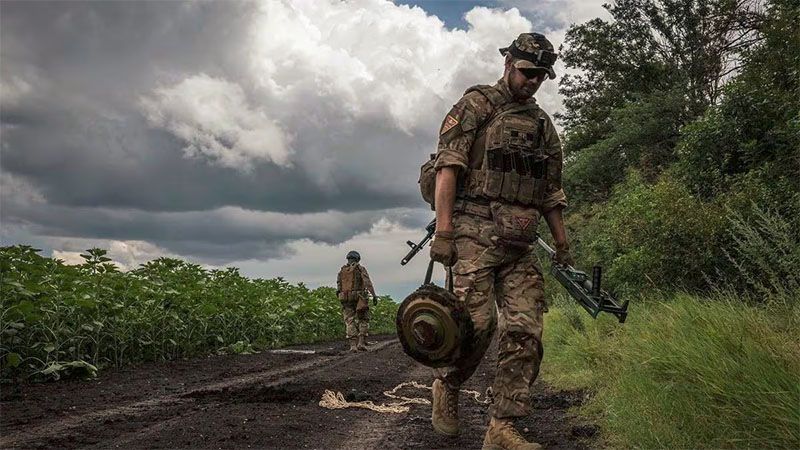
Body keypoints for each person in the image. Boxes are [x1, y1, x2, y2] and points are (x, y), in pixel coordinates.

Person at [427, 33, 574, 450]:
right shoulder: (475, 106)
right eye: (527, 72)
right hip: (472, 231)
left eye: (541, 76)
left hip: (520, 241)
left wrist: (562, 243)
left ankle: (502, 427)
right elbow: (447, 169)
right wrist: (444, 231)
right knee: (477, 326)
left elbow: (551, 193)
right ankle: (448, 384)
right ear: (508, 62)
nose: (533, 82)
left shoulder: (543, 126)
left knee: (526, 330)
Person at [336, 250, 377, 352]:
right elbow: (367, 282)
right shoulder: (360, 269)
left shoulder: (342, 271)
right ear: (358, 259)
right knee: (363, 319)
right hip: (359, 298)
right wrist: (374, 295)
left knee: (349, 321)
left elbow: (338, 286)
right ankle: (361, 343)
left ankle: (353, 346)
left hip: (346, 299)